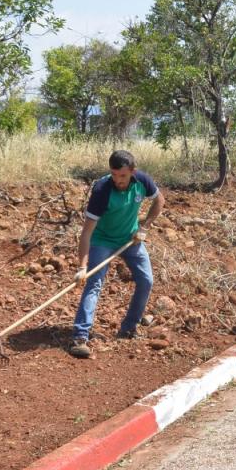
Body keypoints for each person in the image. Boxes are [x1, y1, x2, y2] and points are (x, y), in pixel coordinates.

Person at [69, 150, 164, 359]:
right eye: (114, 174)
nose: (118, 180)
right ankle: (80, 336)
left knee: (146, 280)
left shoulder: (142, 181)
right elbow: (86, 233)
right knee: (94, 283)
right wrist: (82, 267)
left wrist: (145, 226)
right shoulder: (102, 190)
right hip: (102, 240)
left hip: (130, 239)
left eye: (122, 175)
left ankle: (128, 328)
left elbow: (160, 201)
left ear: (132, 172)